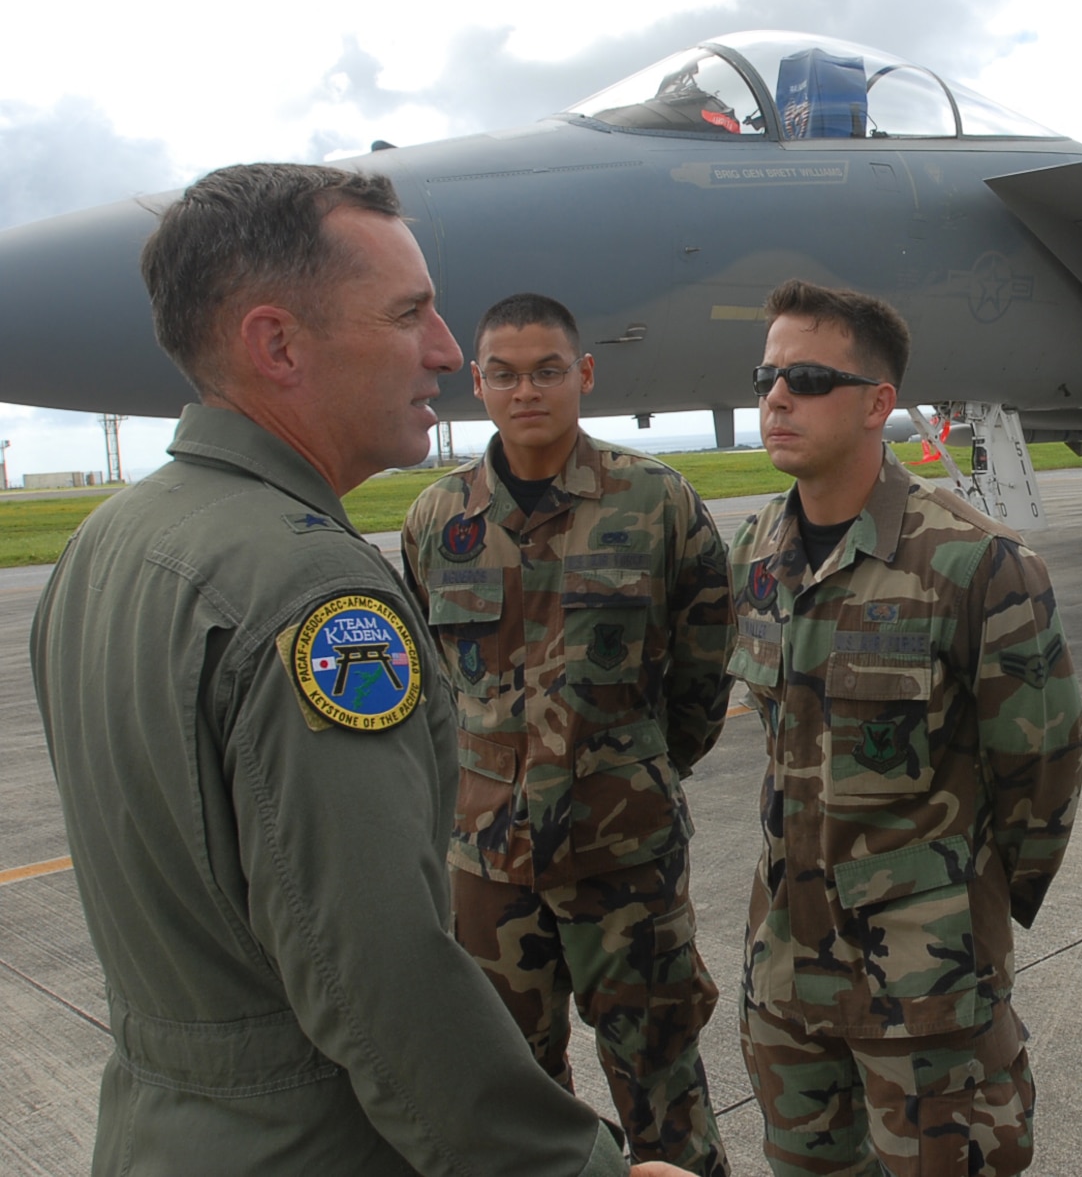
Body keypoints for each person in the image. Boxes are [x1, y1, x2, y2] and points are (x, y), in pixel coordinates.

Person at [30, 162, 685, 1177]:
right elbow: (376, 974)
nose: (443, 349)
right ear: (278, 344)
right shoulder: (309, 588)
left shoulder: (109, 540)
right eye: (408, 313)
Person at [726, 279, 1082, 1176]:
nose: (775, 396)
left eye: (805, 377)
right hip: (784, 978)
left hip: (927, 995)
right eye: (767, 374)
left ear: (877, 404)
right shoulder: (757, 551)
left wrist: (966, 916)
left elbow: (1041, 771)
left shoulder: (976, 561)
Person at [402, 293, 732, 1174]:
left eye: (548, 370)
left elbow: (702, 675)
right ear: (477, 382)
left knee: (664, 1082)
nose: (527, 391)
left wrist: (630, 771)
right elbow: (438, 689)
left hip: (625, 858)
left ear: (583, 375)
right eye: (504, 374)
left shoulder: (657, 501)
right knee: (510, 1092)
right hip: (488, 868)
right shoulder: (439, 521)